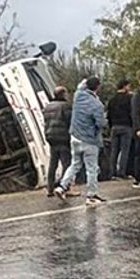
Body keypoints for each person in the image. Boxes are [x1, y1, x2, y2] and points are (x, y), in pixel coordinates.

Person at [55, 77, 108, 206]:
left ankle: (62, 187)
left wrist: (86, 80)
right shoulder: (97, 105)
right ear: (98, 87)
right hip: (89, 139)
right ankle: (91, 196)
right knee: (92, 168)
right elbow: (101, 124)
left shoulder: (78, 95)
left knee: (75, 164)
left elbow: (81, 85)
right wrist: (105, 120)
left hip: (75, 136)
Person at [43, 86, 73, 196]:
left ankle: (50, 188)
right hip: (63, 137)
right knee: (66, 163)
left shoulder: (47, 107)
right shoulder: (65, 106)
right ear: (63, 94)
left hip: (51, 137)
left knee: (53, 163)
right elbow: (70, 121)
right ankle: (64, 187)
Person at [107, 79, 134, 179]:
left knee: (114, 150)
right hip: (126, 126)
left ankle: (112, 172)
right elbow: (132, 113)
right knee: (124, 150)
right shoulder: (129, 99)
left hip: (114, 127)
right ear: (125, 86)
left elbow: (108, 114)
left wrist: (111, 125)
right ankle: (122, 172)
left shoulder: (112, 100)